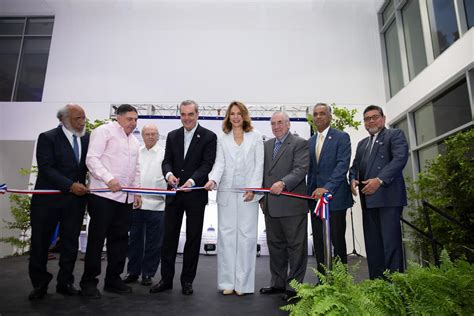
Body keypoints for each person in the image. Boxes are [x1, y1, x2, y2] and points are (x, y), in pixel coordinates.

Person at [150, 100, 217, 296]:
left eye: (190, 114)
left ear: (197, 114)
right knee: (168, 239)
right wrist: (169, 175)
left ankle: (187, 281)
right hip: (174, 195)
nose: (186, 118)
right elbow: (166, 161)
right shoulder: (172, 136)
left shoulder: (208, 137)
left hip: (195, 194)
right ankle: (166, 280)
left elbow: (207, 164)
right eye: (183, 114)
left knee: (193, 239)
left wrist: (192, 181)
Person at [28, 104, 89, 300]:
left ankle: (65, 282)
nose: (82, 122)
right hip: (47, 201)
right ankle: (39, 283)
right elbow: (46, 168)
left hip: (75, 202)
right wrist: (70, 185)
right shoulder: (48, 138)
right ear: (64, 120)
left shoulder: (86, 138)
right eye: (78, 119)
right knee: (40, 243)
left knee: (70, 243)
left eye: (83, 118)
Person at [80, 104, 142, 298]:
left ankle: (113, 280)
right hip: (102, 197)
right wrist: (109, 178)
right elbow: (91, 159)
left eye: (135, 119)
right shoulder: (103, 131)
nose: (133, 123)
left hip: (125, 200)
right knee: (97, 241)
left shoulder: (133, 141)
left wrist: (137, 193)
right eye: (130, 119)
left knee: (120, 241)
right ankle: (89, 282)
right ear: (119, 118)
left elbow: (136, 169)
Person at [204, 101, 264, 295]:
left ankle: (243, 284)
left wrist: (253, 189)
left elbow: (259, 165)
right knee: (227, 237)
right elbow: (219, 164)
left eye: (239, 113)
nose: (236, 117)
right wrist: (212, 180)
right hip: (227, 193)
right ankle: (227, 283)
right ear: (228, 117)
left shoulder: (255, 137)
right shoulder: (222, 138)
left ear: (245, 115)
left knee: (247, 238)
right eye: (232, 114)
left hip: (248, 194)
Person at [349, 105, 408, 279]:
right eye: (367, 118)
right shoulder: (362, 144)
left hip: (388, 199)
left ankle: (395, 289)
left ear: (383, 118)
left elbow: (400, 159)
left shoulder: (394, 135)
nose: (371, 121)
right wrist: (352, 179)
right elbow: (355, 167)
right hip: (368, 201)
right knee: (373, 247)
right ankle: (377, 285)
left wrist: (379, 180)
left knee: (391, 246)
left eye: (375, 117)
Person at [259, 111, 309, 301]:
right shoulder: (266, 145)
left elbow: (300, 169)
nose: (276, 126)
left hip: (292, 205)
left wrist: (283, 183)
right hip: (270, 206)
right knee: (275, 247)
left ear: (288, 124)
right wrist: (262, 198)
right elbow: (263, 173)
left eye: (280, 122)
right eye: (273, 123)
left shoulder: (300, 143)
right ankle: (277, 283)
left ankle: (294, 287)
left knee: (296, 247)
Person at [307, 103, 352, 274]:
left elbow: (342, 165)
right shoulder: (310, 142)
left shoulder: (341, 137)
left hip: (336, 200)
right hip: (315, 201)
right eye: (316, 114)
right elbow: (311, 173)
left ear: (330, 116)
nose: (318, 117)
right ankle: (323, 279)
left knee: (337, 241)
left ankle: (341, 283)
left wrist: (327, 188)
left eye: (322, 113)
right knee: (319, 242)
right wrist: (308, 200)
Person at [123, 124, 166, 286]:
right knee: (134, 241)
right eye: (147, 134)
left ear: (158, 136)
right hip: (136, 204)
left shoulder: (165, 154)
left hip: (158, 206)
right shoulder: (136, 153)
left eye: (154, 134)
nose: (150, 136)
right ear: (142, 135)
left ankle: (148, 274)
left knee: (154, 243)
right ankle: (132, 272)